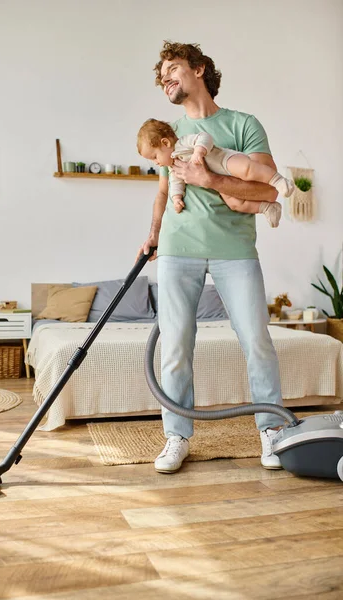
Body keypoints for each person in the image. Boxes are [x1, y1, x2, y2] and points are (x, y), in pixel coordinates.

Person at [137, 41, 286, 474]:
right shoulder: (169, 133)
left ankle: (271, 431)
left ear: (199, 70)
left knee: (257, 341)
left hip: (234, 252)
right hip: (177, 250)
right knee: (176, 347)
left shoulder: (243, 124)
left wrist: (210, 177)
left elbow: (268, 190)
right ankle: (177, 436)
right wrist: (151, 236)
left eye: (173, 68)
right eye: (161, 74)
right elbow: (164, 193)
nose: (165, 77)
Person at [137, 118, 294, 227]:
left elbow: (204, 137)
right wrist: (177, 197)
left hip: (224, 160)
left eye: (154, 157)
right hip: (219, 181)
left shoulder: (182, 143)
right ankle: (267, 208)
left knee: (247, 169)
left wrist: (199, 151)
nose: (156, 163)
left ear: (165, 143)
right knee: (234, 204)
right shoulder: (173, 166)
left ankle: (278, 180)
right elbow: (176, 182)